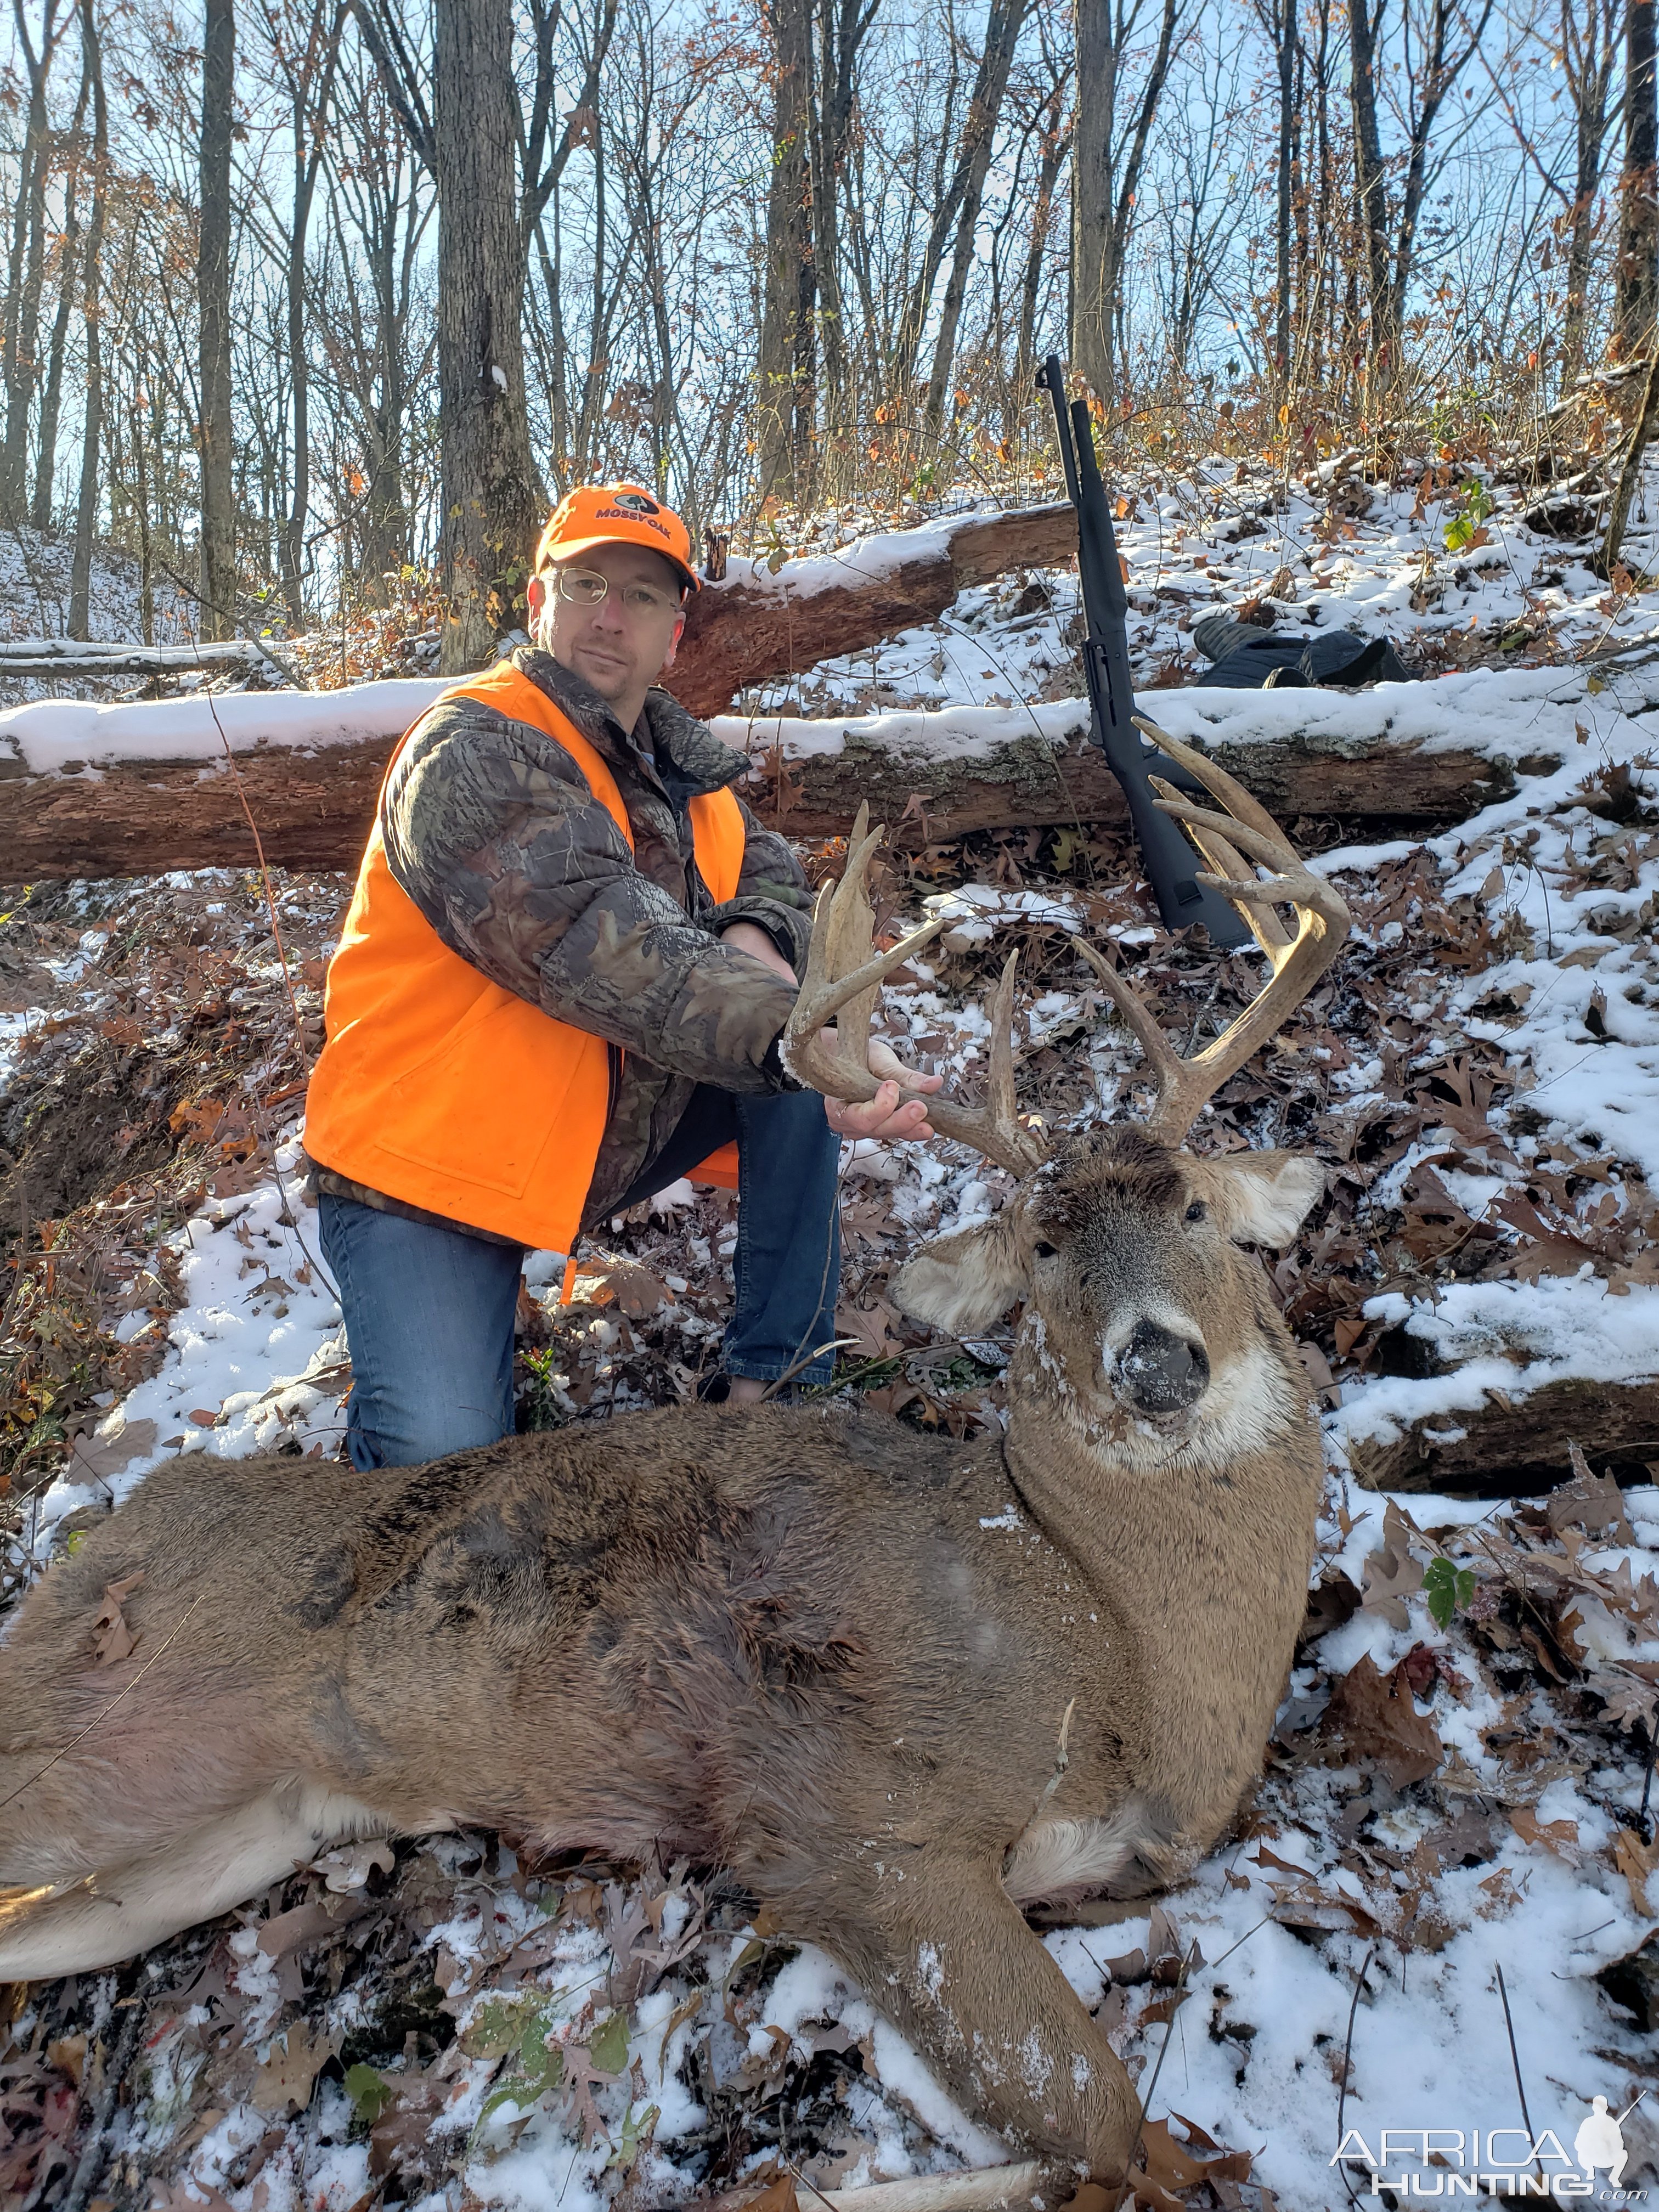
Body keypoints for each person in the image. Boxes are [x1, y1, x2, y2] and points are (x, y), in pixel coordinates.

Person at [303, 481, 940, 1468]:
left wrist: (765, 959)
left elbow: (772, 876)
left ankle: (778, 1386)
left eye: (643, 595)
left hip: (580, 1135)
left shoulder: (689, 778)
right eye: (588, 582)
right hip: (425, 1170)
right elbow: (604, 941)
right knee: (437, 1459)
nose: (612, 615)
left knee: (797, 1045)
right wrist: (784, 1031)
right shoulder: (470, 747)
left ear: (675, 634)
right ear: (537, 600)